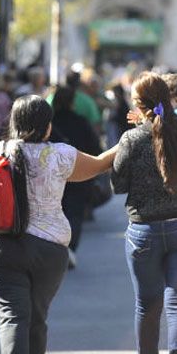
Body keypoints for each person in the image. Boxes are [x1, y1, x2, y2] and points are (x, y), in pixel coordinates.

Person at [0, 95, 116, 354]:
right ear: (48, 128)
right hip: (49, 250)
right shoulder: (60, 155)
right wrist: (129, 138)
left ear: (13, 124)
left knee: (12, 316)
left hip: (1, 247)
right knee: (36, 315)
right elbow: (101, 164)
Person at [112, 71, 177, 354]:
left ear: (139, 106)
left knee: (147, 306)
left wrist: (134, 133)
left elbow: (117, 185)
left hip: (143, 231)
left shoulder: (132, 140)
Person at [50, 86, 102, 268]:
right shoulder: (81, 122)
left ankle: (56, 248)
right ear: (72, 102)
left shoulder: (49, 122)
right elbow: (95, 149)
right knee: (74, 213)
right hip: (79, 174)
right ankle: (69, 248)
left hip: (52, 176)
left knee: (54, 211)